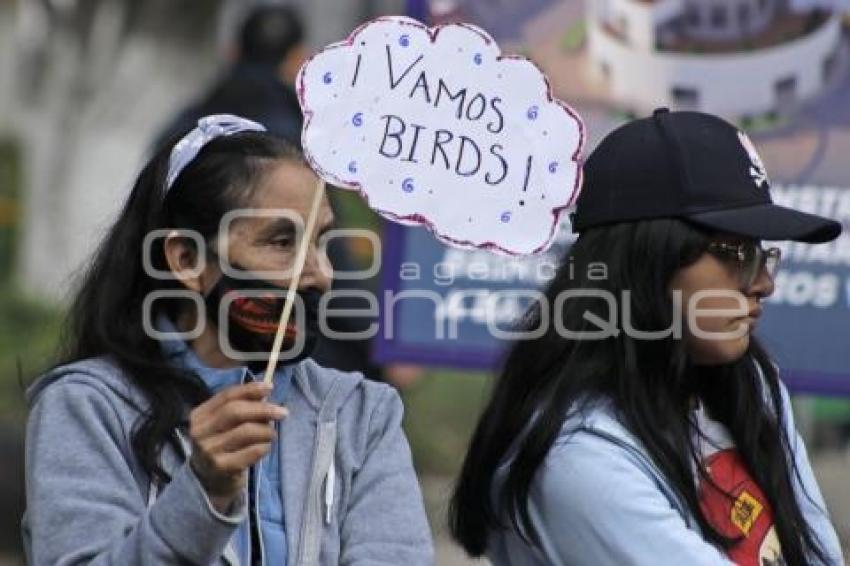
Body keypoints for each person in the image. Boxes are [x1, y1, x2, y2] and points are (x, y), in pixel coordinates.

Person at [22, 115, 433, 565]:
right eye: (282, 242)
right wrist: (202, 493)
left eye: (323, 241)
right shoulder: (89, 407)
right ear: (187, 259)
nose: (321, 273)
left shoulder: (361, 414)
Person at [449, 108, 844, 565]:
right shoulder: (577, 458)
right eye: (736, 252)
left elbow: (819, 555)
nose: (762, 283)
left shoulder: (753, 383)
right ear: (644, 263)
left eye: (761, 254)